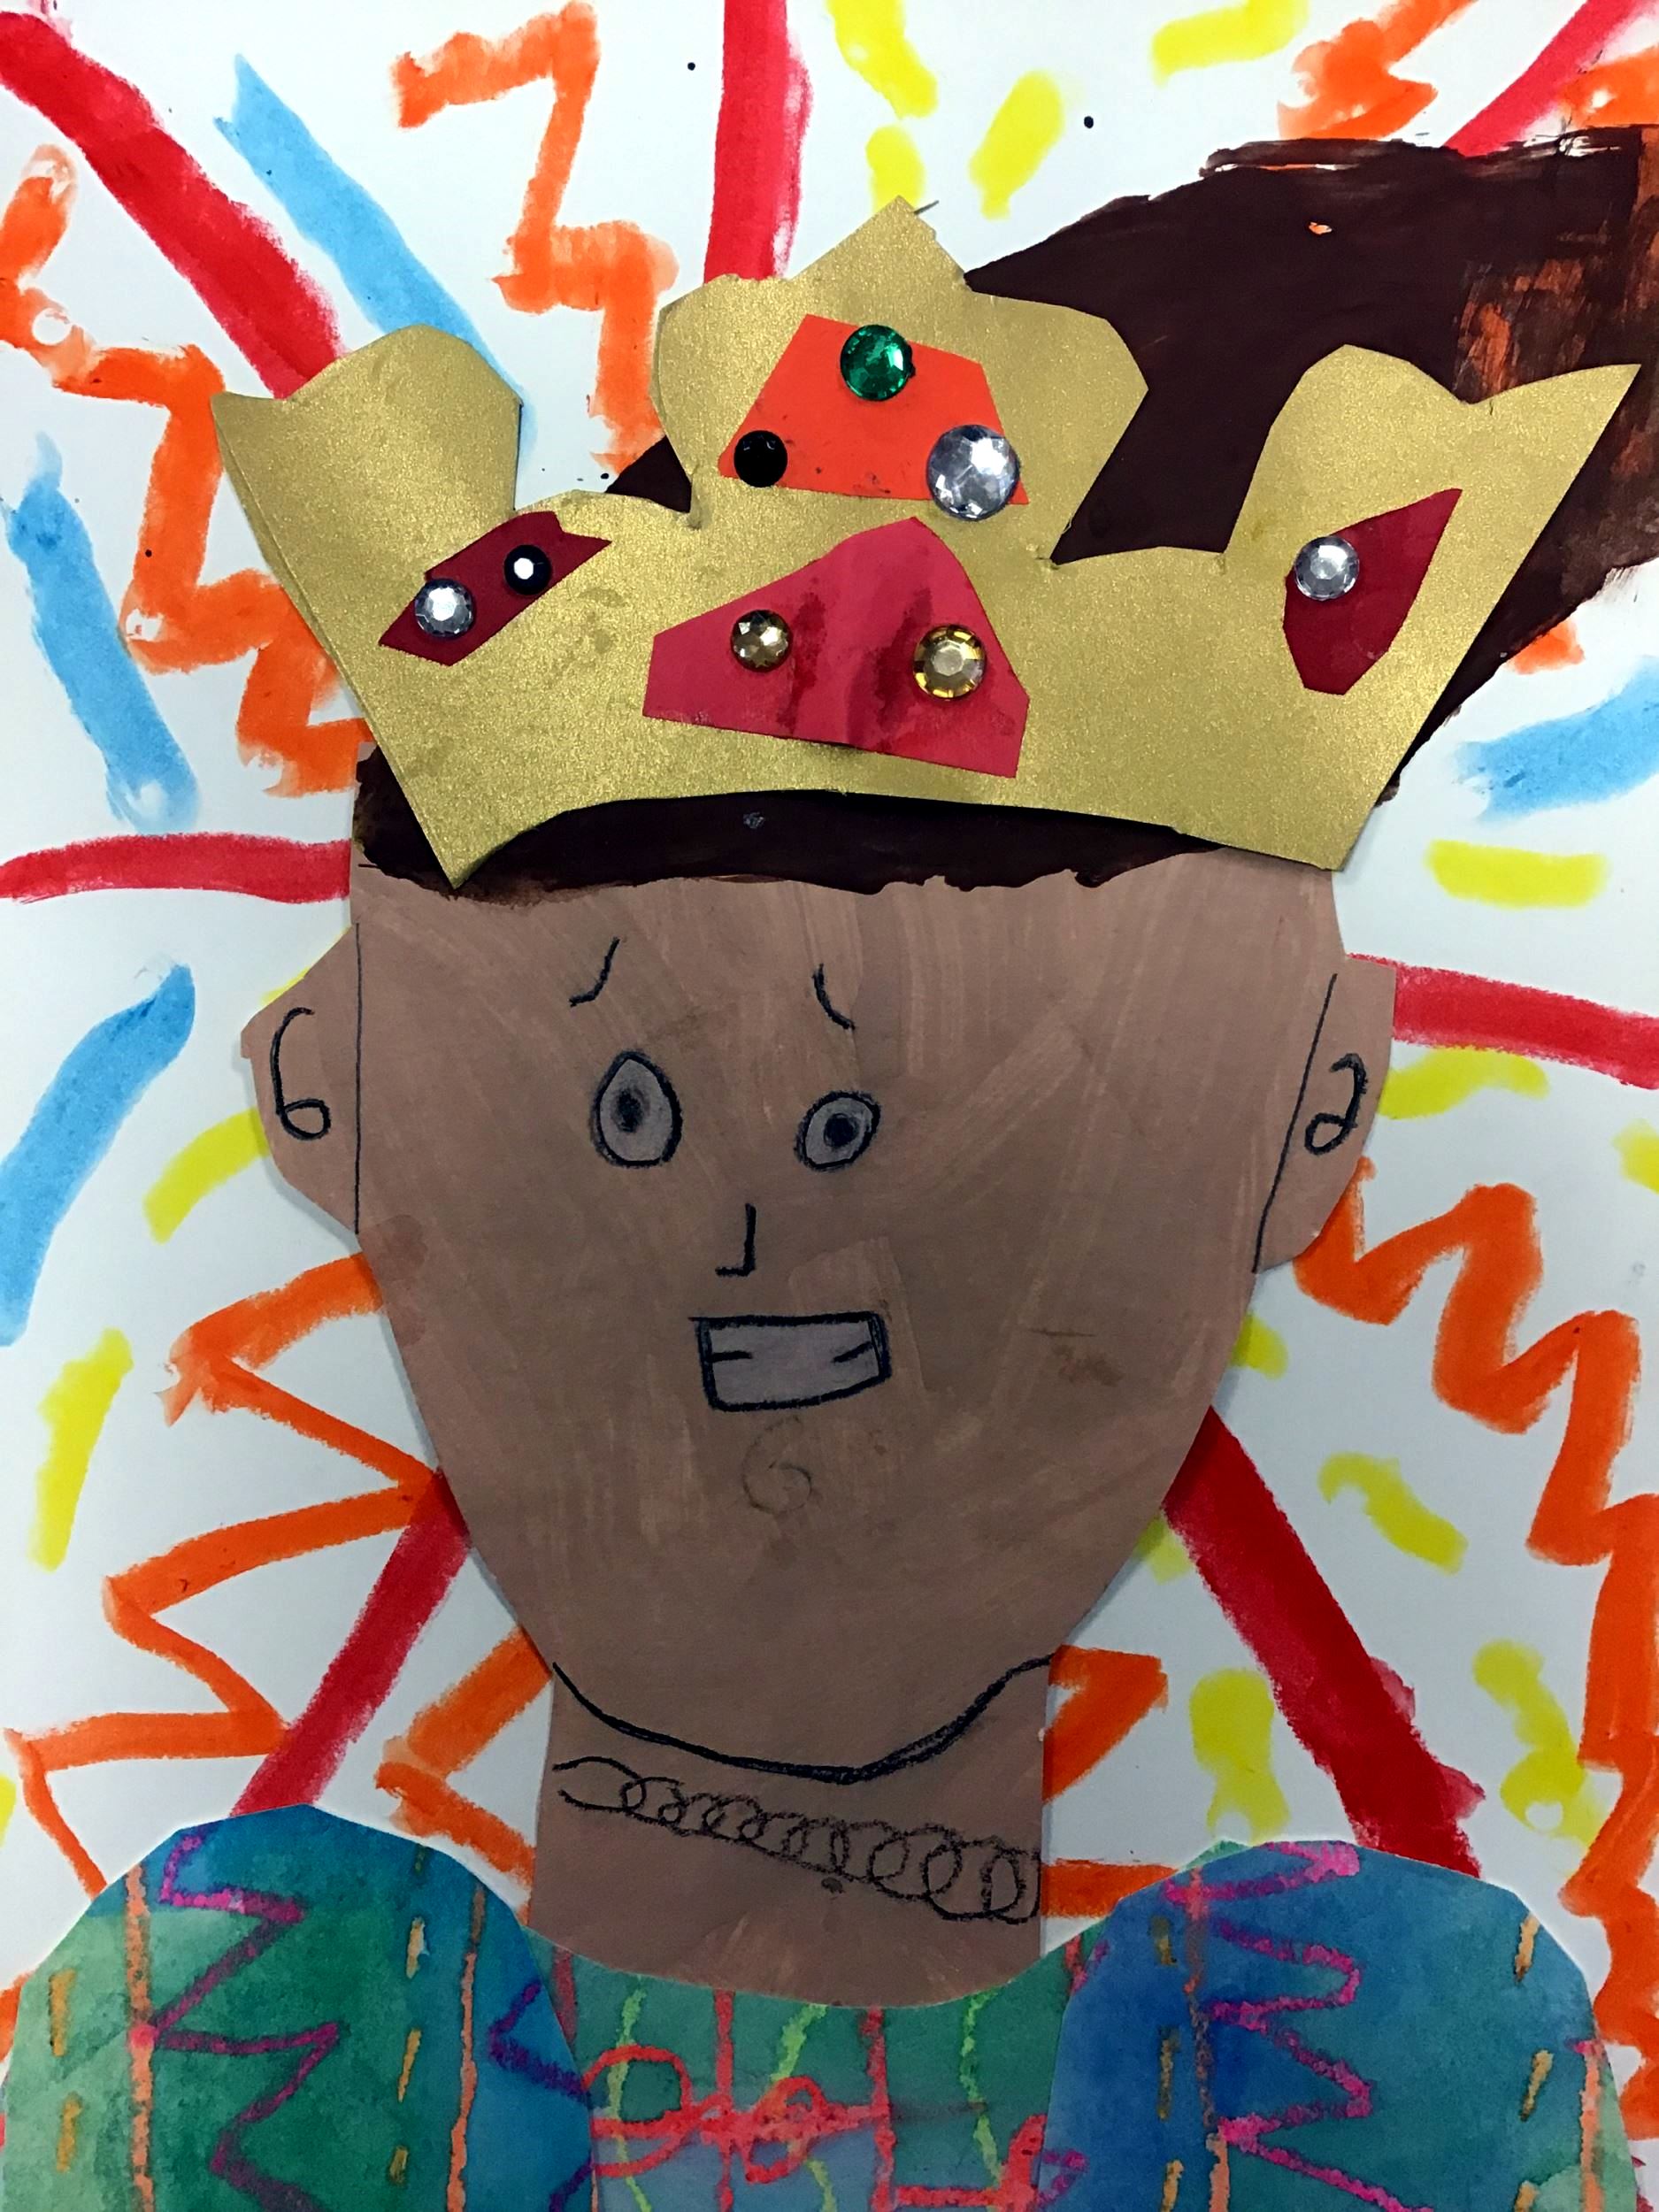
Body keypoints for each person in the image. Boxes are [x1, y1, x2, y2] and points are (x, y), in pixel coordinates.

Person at [12, 135, 1659, 2211]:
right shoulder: (227, 2053)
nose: (761, 1236)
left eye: (923, 1125)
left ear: (1313, 1104)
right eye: (632, 1106)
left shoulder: (1366, 2082)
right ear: (323, 1087)